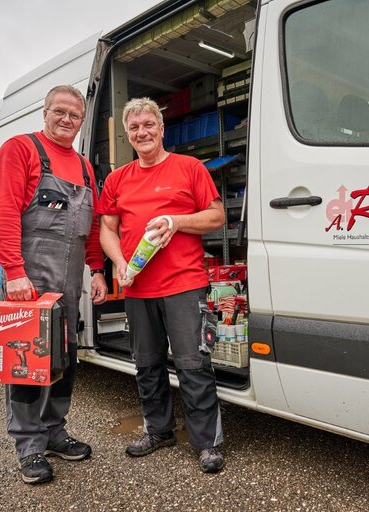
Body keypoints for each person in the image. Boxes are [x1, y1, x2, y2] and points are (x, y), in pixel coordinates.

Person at [97, 97, 226, 473]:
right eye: (134, 128)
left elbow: (216, 215)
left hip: (183, 285)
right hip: (138, 289)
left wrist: (176, 221)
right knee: (147, 365)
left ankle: (208, 443)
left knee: (192, 364)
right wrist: (120, 264)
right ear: (127, 134)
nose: (142, 132)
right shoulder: (118, 179)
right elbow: (107, 229)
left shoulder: (189, 168)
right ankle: (159, 430)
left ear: (161, 127)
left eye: (148, 124)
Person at [0, 85, 108, 484]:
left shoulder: (85, 168)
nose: (67, 120)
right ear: (45, 113)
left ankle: (54, 432)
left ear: (81, 121)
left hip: (68, 284)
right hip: (29, 278)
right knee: (26, 362)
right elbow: (4, 212)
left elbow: (91, 228)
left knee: (64, 358)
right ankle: (28, 446)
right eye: (59, 111)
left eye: (74, 115)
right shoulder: (20, 149)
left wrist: (96, 269)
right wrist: (14, 271)